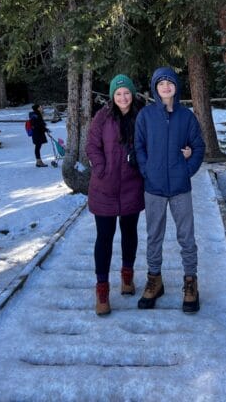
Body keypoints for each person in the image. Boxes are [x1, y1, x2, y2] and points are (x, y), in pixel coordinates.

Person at [134, 67, 205, 313]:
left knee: (186, 237)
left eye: (169, 82)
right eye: (161, 83)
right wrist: (146, 170)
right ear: (155, 88)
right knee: (154, 235)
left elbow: (198, 147)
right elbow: (139, 146)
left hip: (180, 187)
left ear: (176, 86)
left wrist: (187, 169)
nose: (165, 86)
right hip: (153, 188)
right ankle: (155, 280)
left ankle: (190, 282)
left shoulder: (187, 117)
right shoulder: (145, 116)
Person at [86, 74, 145, 316]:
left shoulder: (141, 116)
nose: (123, 97)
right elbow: (91, 145)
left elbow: (148, 144)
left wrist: (139, 163)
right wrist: (101, 168)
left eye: (126, 93)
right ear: (112, 96)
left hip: (132, 186)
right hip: (104, 188)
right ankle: (102, 290)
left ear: (132, 94)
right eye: (118, 93)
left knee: (129, 233)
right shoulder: (102, 117)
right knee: (105, 238)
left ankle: (127, 276)